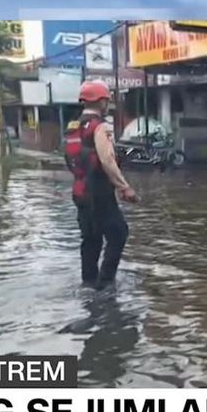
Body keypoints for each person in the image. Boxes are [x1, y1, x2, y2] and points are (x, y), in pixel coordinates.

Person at [64, 80, 139, 289]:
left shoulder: (73, 126)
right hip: (99, 192)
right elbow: (107, 160)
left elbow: (70, 159)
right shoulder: (100, 126)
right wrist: (124, 187)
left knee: (91, 239)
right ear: (102, 101)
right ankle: (106, 283)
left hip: (79, 192)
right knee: (119, 233)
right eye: (106, 100)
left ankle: (88, 282)